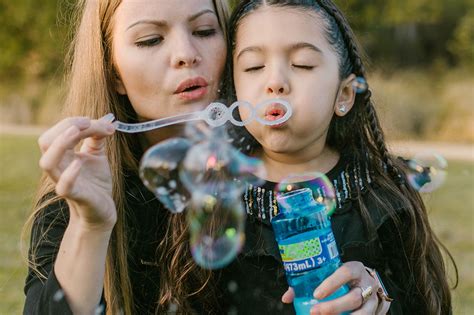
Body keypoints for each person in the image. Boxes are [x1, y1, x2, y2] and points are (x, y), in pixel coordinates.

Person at [217, 0, 457, 314]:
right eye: (253, 67)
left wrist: (378, 300)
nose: (274, 82)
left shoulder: (382, 193)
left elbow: (425, 305)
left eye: (302, 64)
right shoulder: (218, 195)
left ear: (343, 95)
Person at [23, 0, 230, 314]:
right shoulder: (75, 201)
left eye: (204, 31)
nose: (186, 53)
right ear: (113, 73)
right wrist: (89, 226)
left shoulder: (277, 173)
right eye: (150, 39)